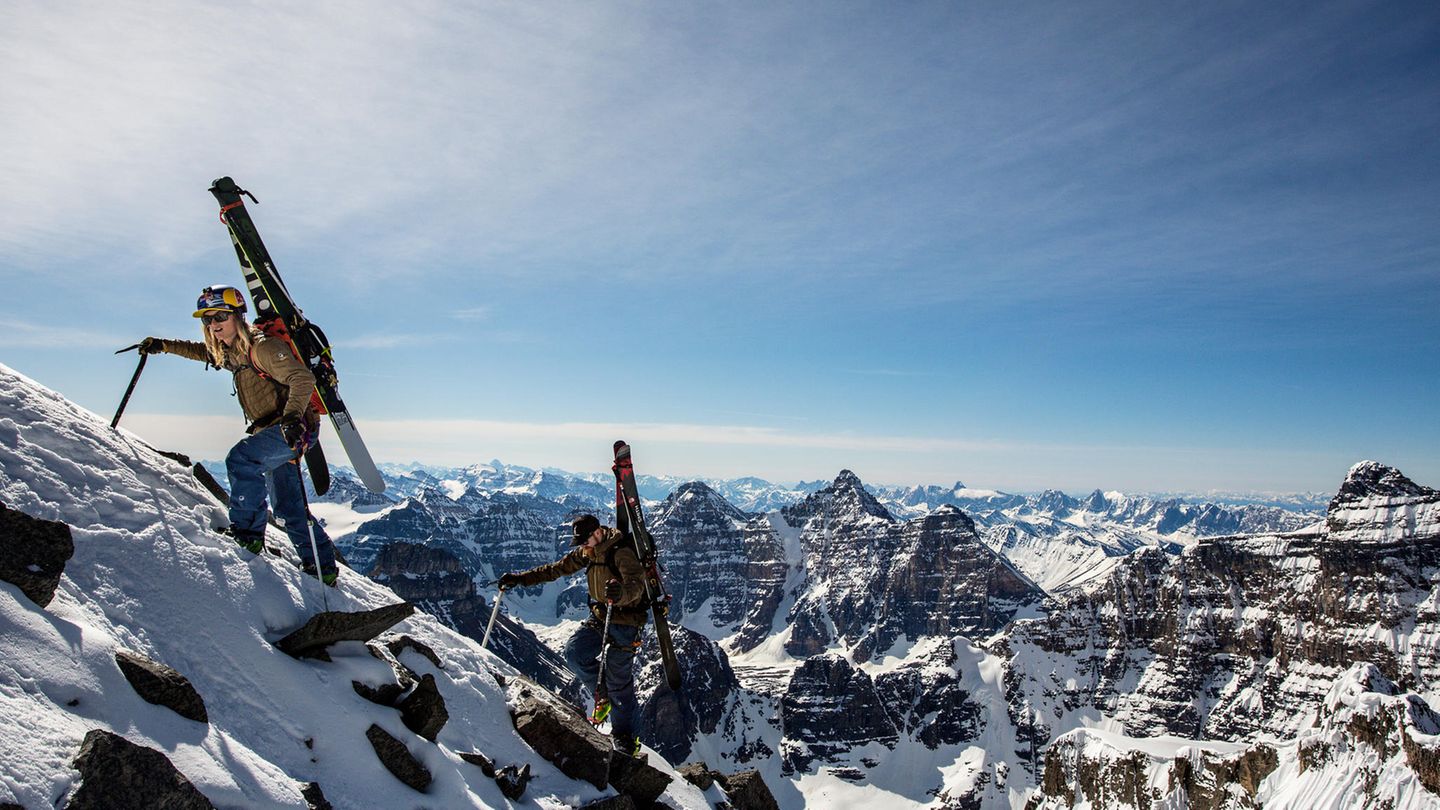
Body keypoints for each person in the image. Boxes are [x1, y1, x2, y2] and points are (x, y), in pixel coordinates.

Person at [140, 285, 339, 586]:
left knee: (241, 459)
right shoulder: (232, 351)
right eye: (208, 319)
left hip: (292, 429)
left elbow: (302, 378)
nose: (214, 324)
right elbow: (201, 352)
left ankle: (247, 536)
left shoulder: (262, 347)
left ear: (237, 315)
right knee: (288, 509)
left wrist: (293, 418)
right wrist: (163, 345)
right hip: (276, 429)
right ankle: (323, 569)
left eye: (221, 315)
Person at [499, 514, 650, 756]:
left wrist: (620, 593)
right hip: (600, 616)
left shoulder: (620, 552)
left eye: (585, 540)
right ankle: (602, 695)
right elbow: (556, 570)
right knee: (574, 653)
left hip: (626, 622)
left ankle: (626, 738)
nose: (581, 546)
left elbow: (636, 584)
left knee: (618, 681)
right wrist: (520, 579)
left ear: (598, 533)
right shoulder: (588, 553)